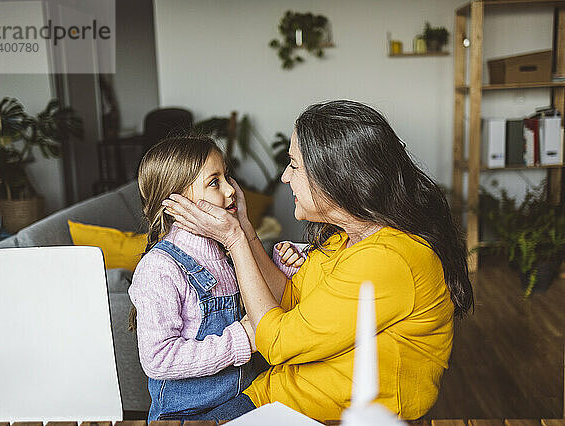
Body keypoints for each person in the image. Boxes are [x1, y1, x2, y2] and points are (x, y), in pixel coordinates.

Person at [163, 100, 474, 422]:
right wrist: (244, 228)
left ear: (335, 175)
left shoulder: (388, 258)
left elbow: (278, 341)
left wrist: (234, 241)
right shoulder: (344, 238)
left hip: (317, 416)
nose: (285, 177)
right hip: (274, 396)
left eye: (294, 166)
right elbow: (288, 300)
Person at [127, 136, 304, 421]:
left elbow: (267, 309)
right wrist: (242, 339)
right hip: (188, 415)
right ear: (177, 203)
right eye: (214, 182)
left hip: (246, 397)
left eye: (227, 177)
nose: (231, 191)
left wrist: (283, 269)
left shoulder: (229, 250)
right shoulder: (160, 268)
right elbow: (158, 359)